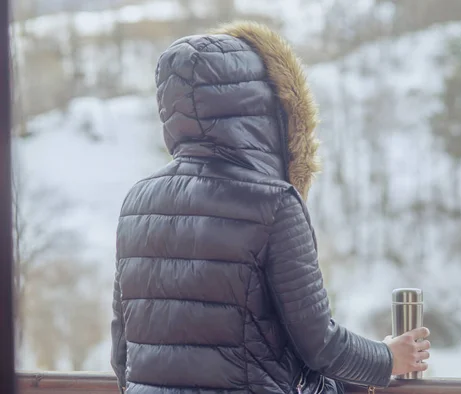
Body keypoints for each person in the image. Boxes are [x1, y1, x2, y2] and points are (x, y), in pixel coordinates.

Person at [110, 21, 430, 394]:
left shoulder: (137, 202)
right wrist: (388, 357)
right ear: (265, 107)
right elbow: (319, 345)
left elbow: (122, 355)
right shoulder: (274, 203)